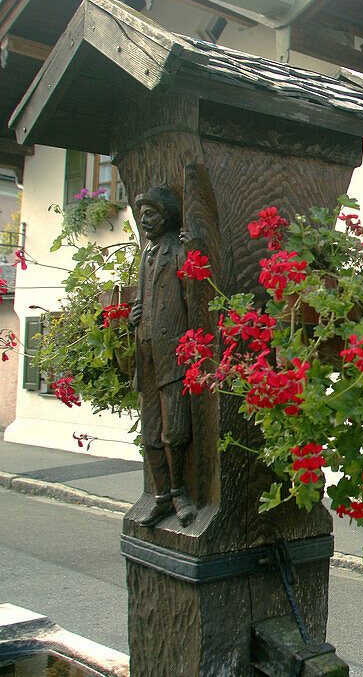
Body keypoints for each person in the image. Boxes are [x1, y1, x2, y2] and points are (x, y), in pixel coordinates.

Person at [130, 185, 196, 527]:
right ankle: (160, 498)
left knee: (176, 429)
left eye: (151, 214)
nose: (144, 220)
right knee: (151, 431)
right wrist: (137, 315)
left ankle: (180, 493)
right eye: (142, 215)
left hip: (172, 349)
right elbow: (143, 295)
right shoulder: (146, 252)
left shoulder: (177, 250)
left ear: (166, 216)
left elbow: (193, 297)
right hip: (146, 348)